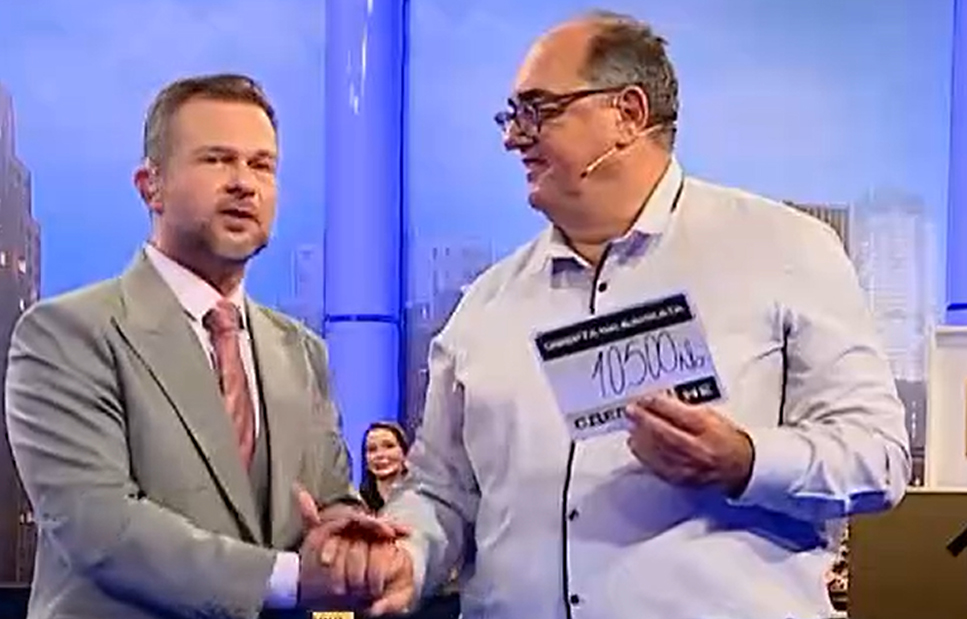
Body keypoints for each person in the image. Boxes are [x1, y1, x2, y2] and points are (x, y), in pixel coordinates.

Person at [360, 10, 910, 619]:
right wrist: (405, 554)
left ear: (627, 114)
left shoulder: (786, 250)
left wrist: (745, 460)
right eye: (511, 115)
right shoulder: (483, 307)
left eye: (537, 111)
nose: (513, 137)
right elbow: (440, 489)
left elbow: (878, 457)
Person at [4, 73, 407, 619]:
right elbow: (100, 526)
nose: (244, 183)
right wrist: (293, 579)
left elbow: (330, 499)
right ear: (150, 186)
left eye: (262, 165)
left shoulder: (302, 351)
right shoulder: (66, 335)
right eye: (217, 160)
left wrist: (348, 544)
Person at [360, 421, 411, 513]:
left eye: (389, 446)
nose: (380, 455)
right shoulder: (358, 506)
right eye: (372, 449)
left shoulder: (422, 500)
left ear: (404, 453)